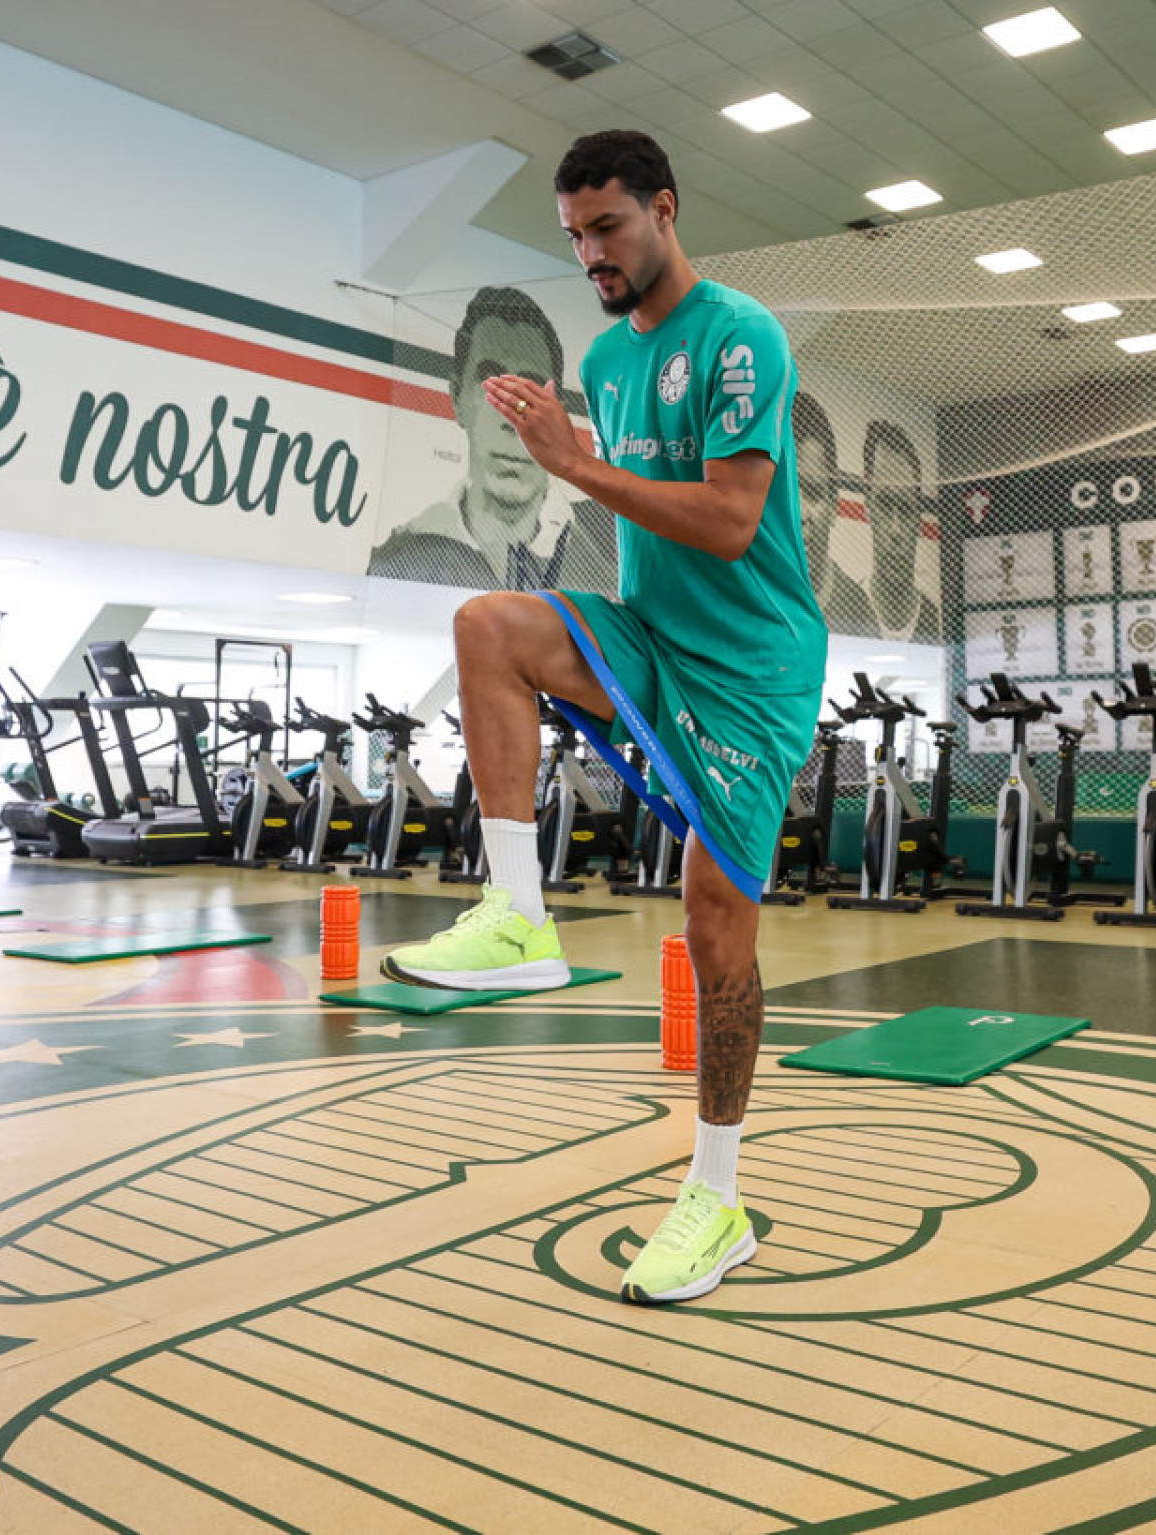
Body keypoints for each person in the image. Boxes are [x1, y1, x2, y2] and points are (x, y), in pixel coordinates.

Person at [382, 129, 826, 1306]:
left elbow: (730, 520)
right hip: (651, 632)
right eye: (575, 235)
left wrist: (571, 465)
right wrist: (561, 454)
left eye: (608, 227)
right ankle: (518, 915)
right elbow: (632, 511)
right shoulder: (607, 358)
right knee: (489, 625)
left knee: (714, 921)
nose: (590, 254)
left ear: (664, 209)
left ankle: (717, 1195)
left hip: (752, 666)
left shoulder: (741, 335)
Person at [369, 286, 615, 594]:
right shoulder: (396, 559)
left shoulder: (616, 545)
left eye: (531, 389)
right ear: (457, 397)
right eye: (491, 385)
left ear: (559, 413)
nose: (511, 418)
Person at [793, 391, 877, 635]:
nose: (800, 515)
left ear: (833, 505)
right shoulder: (742, 596)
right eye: (784, 495)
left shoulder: (857, 608)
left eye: (813, 493)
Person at [862, 420, 942, 643]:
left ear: (919, 518)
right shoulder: (848, 606)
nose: (895, 530)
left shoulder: (937, 622)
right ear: (868, 508)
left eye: (906, 509)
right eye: (885, 505)